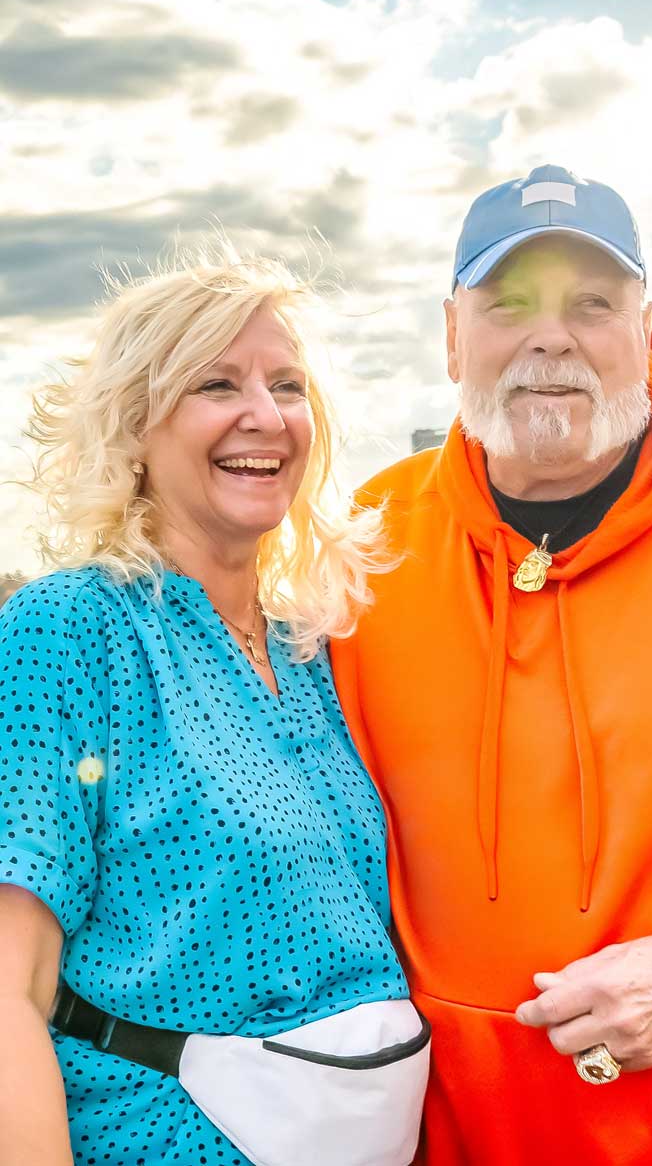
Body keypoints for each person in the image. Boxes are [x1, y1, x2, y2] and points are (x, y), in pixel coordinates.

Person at [331, 164, 652, 1165]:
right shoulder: (357, 548)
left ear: (645, 325)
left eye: (592, 303)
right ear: (451, 335)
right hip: (436, 1139)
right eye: (507, 304)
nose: (549, 336)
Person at [0, 249, 429, 1166]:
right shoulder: (74, 628)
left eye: (287, 385)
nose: (265, 417)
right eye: (215, 383)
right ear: (134, 428)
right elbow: (9, 987)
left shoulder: (312, 649)